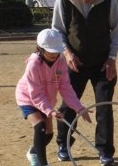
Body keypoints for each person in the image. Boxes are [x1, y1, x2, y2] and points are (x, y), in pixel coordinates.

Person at [51, 0, 118, 165]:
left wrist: (111, 58)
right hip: (74, 62)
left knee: (104, 106)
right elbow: (57, 31)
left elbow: (117, 31)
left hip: (103, 63)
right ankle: (63, 144)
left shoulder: (108, 0)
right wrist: (67, 53)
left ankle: (105, 150)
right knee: (69, 105)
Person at [16, 29, 92, 166]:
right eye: (50, 51)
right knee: (40, 127)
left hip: (46, 101)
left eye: (56, 51)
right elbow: (35, 94)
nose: (54, 54)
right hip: (28, 98)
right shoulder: (34, 64)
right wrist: (49, 111)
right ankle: (43, 164)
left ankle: (33, 152)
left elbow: (66, 88)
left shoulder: (61, 62)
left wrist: (79, 108)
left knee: (49, 134)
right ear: (40, 48)